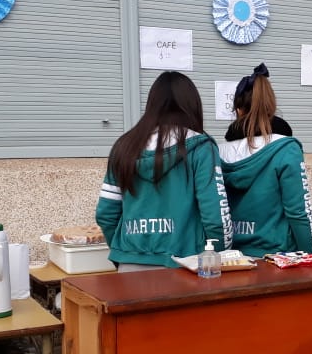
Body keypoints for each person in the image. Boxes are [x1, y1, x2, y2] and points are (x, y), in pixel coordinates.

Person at [95, 71, 232, 270]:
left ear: (152, 104)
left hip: (129, 265)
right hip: (186, 266)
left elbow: (106, 214)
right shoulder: (202, 148)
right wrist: (220, 256)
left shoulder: (124, 147)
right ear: (192, 105)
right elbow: (216, 218)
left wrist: (124, 252)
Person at [219, 63, 312, 256]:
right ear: (272, 106)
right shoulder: (286, 149)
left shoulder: (218, 151)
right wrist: (311, 255)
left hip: (231, 257)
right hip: (276, 256)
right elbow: (299, 212)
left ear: (238, 109)